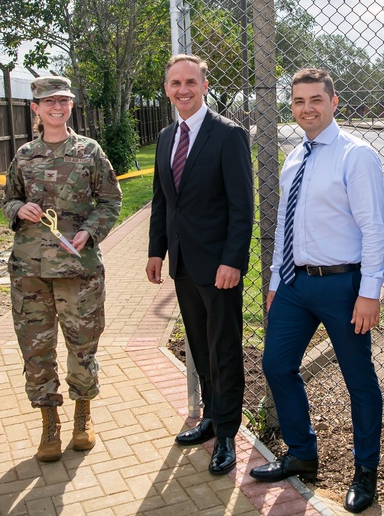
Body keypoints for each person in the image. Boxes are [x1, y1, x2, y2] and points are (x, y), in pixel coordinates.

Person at [250, 68, 384, 514]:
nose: (306, 108)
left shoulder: (355, 155)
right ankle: (302, 453)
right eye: (298, 101)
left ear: (333, 102)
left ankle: (365, 471)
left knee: (358, 380)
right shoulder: (295, 157)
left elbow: (373, 229)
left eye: (315, 99)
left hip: (342, 286)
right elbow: (285, 225)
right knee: (276, 363)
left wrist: (370, 292)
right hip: (295, 283)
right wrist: (275, 282)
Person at [2, 76, 122, 463]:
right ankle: (49, 423)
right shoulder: (23, 155)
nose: (57, 107)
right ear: (35, 109)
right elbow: (8, 201)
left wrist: (91, 230)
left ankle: (83, 416)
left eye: (63, 101)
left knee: (82, 347)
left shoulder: (89, 151)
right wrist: (18, 209)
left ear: (71, 106)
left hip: (78, 271)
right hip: (30, 271)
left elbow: (110, 200)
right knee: (36, 350)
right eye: (48, 102)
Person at [147, 54, 254, 476]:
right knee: (199, 344)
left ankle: (227, 432)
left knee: (224, 347)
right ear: (167, 88)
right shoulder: (165, 136)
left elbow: (241, 206)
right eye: (175, 83)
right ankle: (211, 415)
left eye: (191, 82)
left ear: (205, 85)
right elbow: (161, 200)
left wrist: (233, 261)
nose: (183, 90)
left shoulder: (228, 135)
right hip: (183, 265)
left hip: (219, 267)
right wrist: (157, 251)